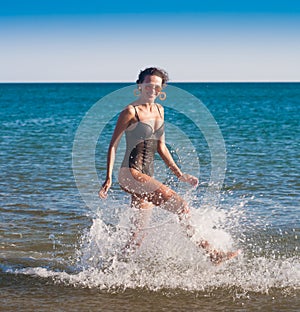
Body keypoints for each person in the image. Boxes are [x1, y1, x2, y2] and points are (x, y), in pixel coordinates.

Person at [98, 67, 239, 264]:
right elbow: (113, 145)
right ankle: (211, 254)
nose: (152, 89)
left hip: (146, 174)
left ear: (161, 89)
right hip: (129, 174)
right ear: (140, 85)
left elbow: (161, 147)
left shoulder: (159, 110)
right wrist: (108, 178)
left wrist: (180, 174)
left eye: (157, 86)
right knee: (181, 206)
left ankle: (107, 271)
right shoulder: (131, 111)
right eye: (148, 85)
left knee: (138, 236)